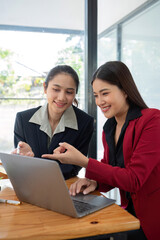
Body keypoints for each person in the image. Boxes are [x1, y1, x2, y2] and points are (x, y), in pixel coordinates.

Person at [42, 61, 160, 240]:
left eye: (105, 93)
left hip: (151, 218)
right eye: (96, 95)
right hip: (127, 213)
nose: (99, 102)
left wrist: (84, 161)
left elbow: (133, 179)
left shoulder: (152, 120)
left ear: (125, 91)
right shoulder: (109, 127)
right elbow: (112, 170)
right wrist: (94, 182)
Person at [13, 65, 94, 180]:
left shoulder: (85, 122)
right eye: (56, 90)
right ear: (45, 88)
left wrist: (33, 164)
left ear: (75, 93)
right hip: (30, 185)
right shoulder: (23, 119)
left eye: (69, 92)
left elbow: (74, 167)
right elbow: (19, 161)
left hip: (63, 186)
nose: (61, 98)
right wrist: (21, 159)